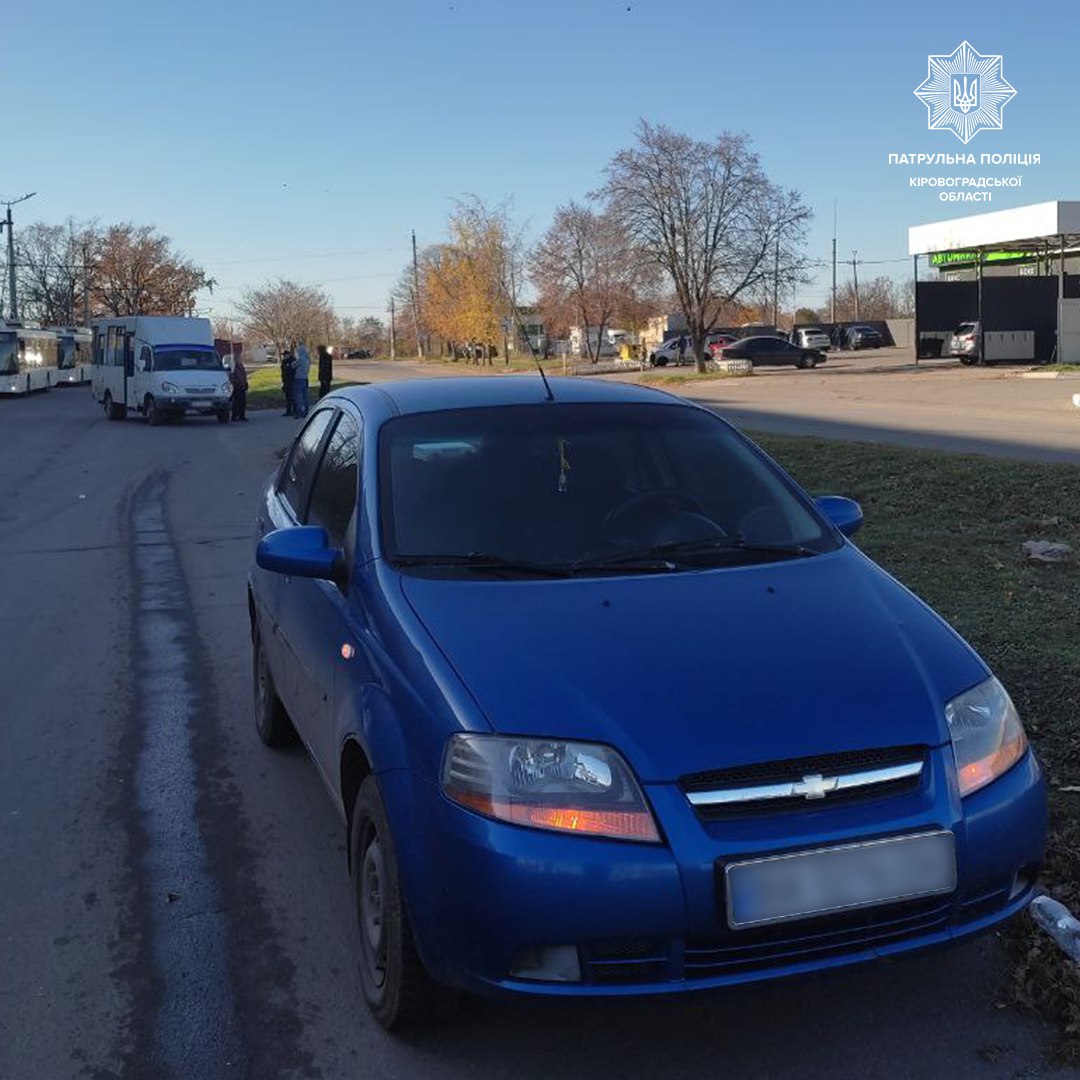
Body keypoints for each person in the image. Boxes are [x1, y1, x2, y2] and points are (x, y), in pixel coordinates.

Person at [293, 342, 311, 418]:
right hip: (306, 378)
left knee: (297, 396)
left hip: (299, 378)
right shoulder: (308, 360)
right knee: (305, 396)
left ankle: (299, 412)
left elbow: (293, 365)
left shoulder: (301, 359)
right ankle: (306, 410)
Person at [229, 356, 249, 421]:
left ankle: (242, 416)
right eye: (239, 359)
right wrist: (235, 384)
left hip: (242, 386)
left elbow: (244, 376)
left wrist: (245, 383)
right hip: (237, 387)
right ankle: (234, 416)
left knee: (242, 402)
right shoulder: (234, 368)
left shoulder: (241, 367)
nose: (240, 360)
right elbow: (232, 377)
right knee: (236, 402)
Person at [281, 350, 296, 416]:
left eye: (285, 355)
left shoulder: (292, 361)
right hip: (286, 381)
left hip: (291, 381)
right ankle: (289, 411)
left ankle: (294, 410)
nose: (284, 356)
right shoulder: (284, 362)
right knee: (288, 397)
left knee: (292, 397)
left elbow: (291, 371)